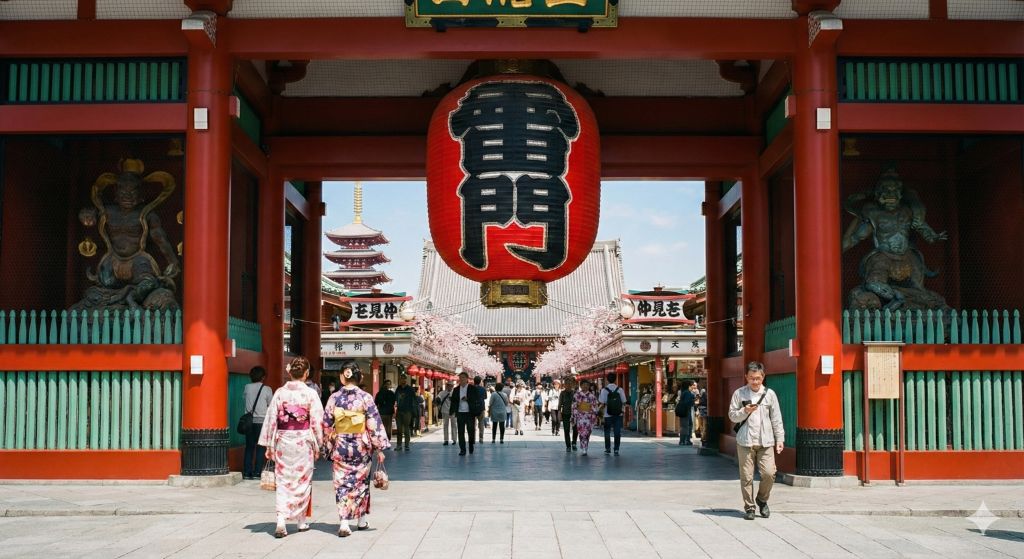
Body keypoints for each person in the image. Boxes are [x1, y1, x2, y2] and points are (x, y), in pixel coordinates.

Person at [258, 356, 325, 538]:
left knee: (283, 481)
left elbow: (272, 418)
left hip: (283, 440)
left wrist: (268, 444)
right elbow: (317, 420)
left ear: (290, 372)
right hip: (303, 441)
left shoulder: (280, 392)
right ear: (306, 373)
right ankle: (301, 521)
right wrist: (320, 442)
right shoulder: (310, 393)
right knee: (302, 481)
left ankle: (281, 520)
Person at [323, 360, 390, 537]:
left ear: (342, 377)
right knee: (360, 483)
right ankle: (361, 521)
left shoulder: (334, 398)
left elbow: (327, 424)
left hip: (341, 446)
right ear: (359, 376)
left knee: (342, 484)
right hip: (361, 446)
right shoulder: (365, 397)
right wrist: (379, 448)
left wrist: (328, 443)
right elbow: (373, 424)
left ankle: (344, 523)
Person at [728, 361, 785, 521]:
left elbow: (776, 418)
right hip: (745, 441)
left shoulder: (770, 394)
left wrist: (779, 438)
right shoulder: (739, 394)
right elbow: (732, 416)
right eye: (752, 378)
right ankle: (749, 507)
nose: (755, 381)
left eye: (758, 378)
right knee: (746, 476)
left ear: (763, 377)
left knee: (769, 473)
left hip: (766, 442)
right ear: (746, 377)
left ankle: (762, 499)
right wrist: (744, 411)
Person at [242, 366, 272, 480]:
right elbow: (271, 404)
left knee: (249, 447)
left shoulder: (247, 387)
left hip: (249, 421)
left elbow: (244, 399)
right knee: (260, 447)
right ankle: (257, 472)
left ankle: (246, 472)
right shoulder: (267, 389)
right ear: (263, 377)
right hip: (261, 422)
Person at [450, 371, 485, 455]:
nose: (461, 379)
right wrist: (452, 411)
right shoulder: (456, 389)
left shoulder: (472, 388)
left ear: (467, 379)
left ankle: (471, 445)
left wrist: (468, 399)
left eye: (463, 378)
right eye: (460, 378)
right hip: (460, 413)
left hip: (470, 413)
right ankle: (462, 449)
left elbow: (477, 399)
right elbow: (453, 401)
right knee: (460, 431)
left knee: (470, 430)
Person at [598, 372, 628, 456]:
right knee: (617, 432)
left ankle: (608, 449)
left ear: (607, 379)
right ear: (615, 379)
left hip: (607, 414)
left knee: (607, 432)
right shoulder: (620, 389)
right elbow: (624, 402)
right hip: (618, 414)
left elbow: (602, 403)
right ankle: (616, 449)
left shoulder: (604, 390)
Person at [572, 379, 599, 456]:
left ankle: (585, 446)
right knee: (581, 433)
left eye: (587, 385)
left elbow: (595, 406)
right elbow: (573, 406)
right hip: (580, 416)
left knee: (587, 433)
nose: (585, 386)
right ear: (581, 386)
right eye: (583, 385)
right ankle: (584, 448)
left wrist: (593, 411)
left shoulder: (592, 396)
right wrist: (574, 415)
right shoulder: (577, 395)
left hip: (589, 416)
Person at [394, 376, 418, 451]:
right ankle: (399, 445)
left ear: (406, 380)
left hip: (407, 411)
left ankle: (407, 445)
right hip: (399, 411)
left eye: (403, 379)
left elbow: (414, 400)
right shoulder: (398, 389)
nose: (402, 380)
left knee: (406, 428)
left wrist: (414, 411)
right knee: (399, 429)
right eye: (401, 379)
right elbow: (395, 399)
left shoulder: (410, 389)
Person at [558, 377, 578, 451]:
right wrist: (559, 413)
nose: (569, 385)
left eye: (570, 383)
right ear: (564, 385)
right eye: (567, 384)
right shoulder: (562, 393)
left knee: (575, 429)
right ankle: (568, 445)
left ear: (572, 384)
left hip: (575, 414)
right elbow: (560, 404)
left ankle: (574, 443)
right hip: (565, 413)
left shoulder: (575, 393)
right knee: (566, 430)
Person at [675, 379, 696, 446]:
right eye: (692, 385)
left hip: (684, 411)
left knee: (687, 425)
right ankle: (684, 440)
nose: (693, 387)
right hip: (686, 411)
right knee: (685, 426)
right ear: (689, 386)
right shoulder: (687, 393)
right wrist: (693, 401)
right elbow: (687, 403)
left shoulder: (684, 392)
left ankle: (685, 440)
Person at [436, 380, 456, 446]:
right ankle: (446, 440)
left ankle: (454, 439)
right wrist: (438, 400)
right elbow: (438, 397)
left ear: (453, 386)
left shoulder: (455, 393)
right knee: (445, 425)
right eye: (449, 385)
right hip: (445, 411)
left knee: (454, 425)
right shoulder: (442, 393)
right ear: (447, 386)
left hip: (453, 411)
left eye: (451, 386)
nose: (450, 387)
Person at [474, 376, 487, 444]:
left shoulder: (471, 389)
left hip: (473, 408)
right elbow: (485, 397)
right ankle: (481, 438)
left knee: (473, 424)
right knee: (481, 423)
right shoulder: (483, 389)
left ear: (474, 381)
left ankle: (473, 438)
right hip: (481, 408)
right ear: (480, 382)